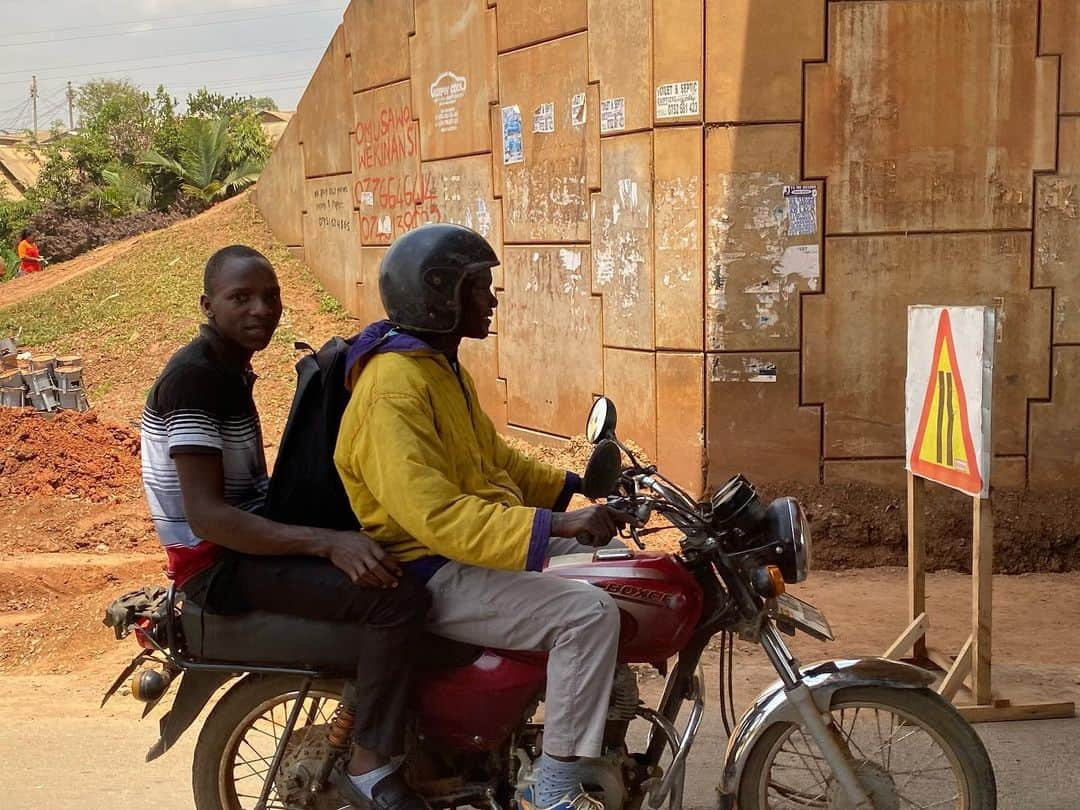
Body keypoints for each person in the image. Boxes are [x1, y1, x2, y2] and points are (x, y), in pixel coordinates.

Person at [334, 224, 631, 810]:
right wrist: (557, 526)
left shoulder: (436, 368)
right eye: (480, 288)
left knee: (621, 570)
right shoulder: (395, 387)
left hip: (472, 550)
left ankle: (589, 725)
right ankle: (553, 788)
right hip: (431, 567)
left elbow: (493, 462)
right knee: (588, 616)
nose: (491, 300)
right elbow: (436, 515)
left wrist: (575, 488)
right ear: (439, 295)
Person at [140, 244, 431, 810]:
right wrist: (330, 542)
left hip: (242, 543)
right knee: (398, 598)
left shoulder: (225, 369)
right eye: (240, 298)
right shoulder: (195, 380)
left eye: (270, 297)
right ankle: (371, 766)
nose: (261, 310)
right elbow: (208, 516)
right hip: (218, 564)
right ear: (208, 304)